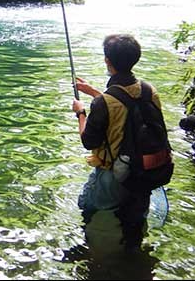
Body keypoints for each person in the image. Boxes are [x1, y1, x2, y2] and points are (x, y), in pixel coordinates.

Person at [71, 33, 167, 251]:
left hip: (114, 175)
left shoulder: (104, 103)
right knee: (135, 218)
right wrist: (96, 93)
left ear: (107, 61)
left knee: (88, 207)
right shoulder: (149, 90)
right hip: (145, 171)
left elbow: (88, 140)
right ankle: (135, 252)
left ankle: (89, 251)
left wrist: (81, 112)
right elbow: (128, 107)